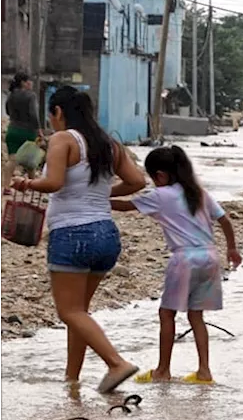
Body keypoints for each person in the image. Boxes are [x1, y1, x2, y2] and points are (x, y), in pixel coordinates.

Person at [12, 86, 147, 393]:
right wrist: (100, 193)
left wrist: (26, 182)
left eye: (52, 115)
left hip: (73, 234)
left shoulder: (64, 139)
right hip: (106, 235)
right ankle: (71, 380)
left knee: (68, 312)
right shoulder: (108, 143)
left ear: (58, 112)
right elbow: (138, 181)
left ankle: (116, 363)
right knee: (79, 313)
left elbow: (53, 182)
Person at [112, 146, 242, 384]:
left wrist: (95, 198)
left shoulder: (160, 195)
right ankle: (204, 372)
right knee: (196, 316)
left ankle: (163, 370)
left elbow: (125, 206)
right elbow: (224, 219)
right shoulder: (198, 192)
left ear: (160, 176)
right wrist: (232, 248)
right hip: (210, 257)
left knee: (166, 313)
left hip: (184, 259)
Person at [4, 73, 41, 187]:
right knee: (30, 162)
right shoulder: (31, 96)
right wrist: (38, 129)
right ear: (23, 83)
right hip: (28, 132)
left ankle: (5, 186)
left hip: (13, 130)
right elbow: (33, 114)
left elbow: (7, 112)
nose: (31, 83)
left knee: (12, 160)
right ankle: (33, 186)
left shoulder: (11, 95)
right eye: (29, 81)